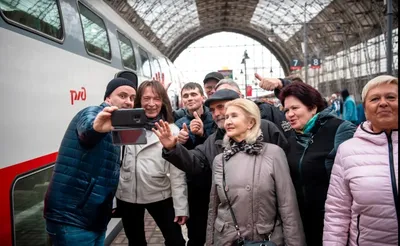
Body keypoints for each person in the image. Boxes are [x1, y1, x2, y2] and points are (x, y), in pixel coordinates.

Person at [257, 75, 356, 246]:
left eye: (295, 108)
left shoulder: (339, 129)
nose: (289, 114)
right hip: (301, 223)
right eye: (286, 110)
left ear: (313, 107)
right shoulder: (292, 137)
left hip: (332, 224)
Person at [44, 77, 137, 246]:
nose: (129, 102)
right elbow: (86, 131)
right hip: (72, 218)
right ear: (108, 98)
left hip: (95, 217)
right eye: (122, 95)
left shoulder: (118, 126)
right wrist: (95, 128)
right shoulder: (92, 112)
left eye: (132, 98)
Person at [204, 99, 305, 246]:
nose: (228, 121)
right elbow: (214, 208)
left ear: (251, 122)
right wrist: (209, 242)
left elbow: (287, 206)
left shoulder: (274, 154)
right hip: (227, 240)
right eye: (227, 117)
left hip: (264, 239)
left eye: (234, 116)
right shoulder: (220, 160)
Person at [324, 75, 399, 246]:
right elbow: (337, 212)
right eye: (374, 99)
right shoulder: (347, 150)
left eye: (391, 97)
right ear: (365, 110)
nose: (383, 103)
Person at [116, 80, 188, 246]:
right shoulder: (125, 127)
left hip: (160, 195)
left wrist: (181, 208)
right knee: (135, 242)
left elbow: (178, 174)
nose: (151, 104)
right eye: (146, 98)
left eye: (156, 99)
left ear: (163, 101)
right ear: (139, 101)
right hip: (127, 196)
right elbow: (114, 165)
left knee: (176, 241)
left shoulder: (171, 130)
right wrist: (114, 200)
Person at [154, 89, 288, 177]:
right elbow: (195, 162)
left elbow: (286, 167)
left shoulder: (266, 129)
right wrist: (172, 148)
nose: (216, 114)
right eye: (212, 110)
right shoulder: (213, 141)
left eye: (221, 107)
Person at [174, 82, 215, 246]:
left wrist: (202, 134)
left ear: (202, 97)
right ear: (182, 101)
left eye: (193, 94)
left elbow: (218, 147)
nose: (190, 98)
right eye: (186, 96)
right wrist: (180, 144)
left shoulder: (214, 118)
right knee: (196, 234)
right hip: (194, 187)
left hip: (215, 182)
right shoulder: (179, 124)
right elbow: (181, 159)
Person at [215, 78, 294, 139]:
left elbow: (290, 138)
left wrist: (282, 84)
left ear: (241, 96)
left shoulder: (267, 112)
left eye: (229, 94)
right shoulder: (216, 127)